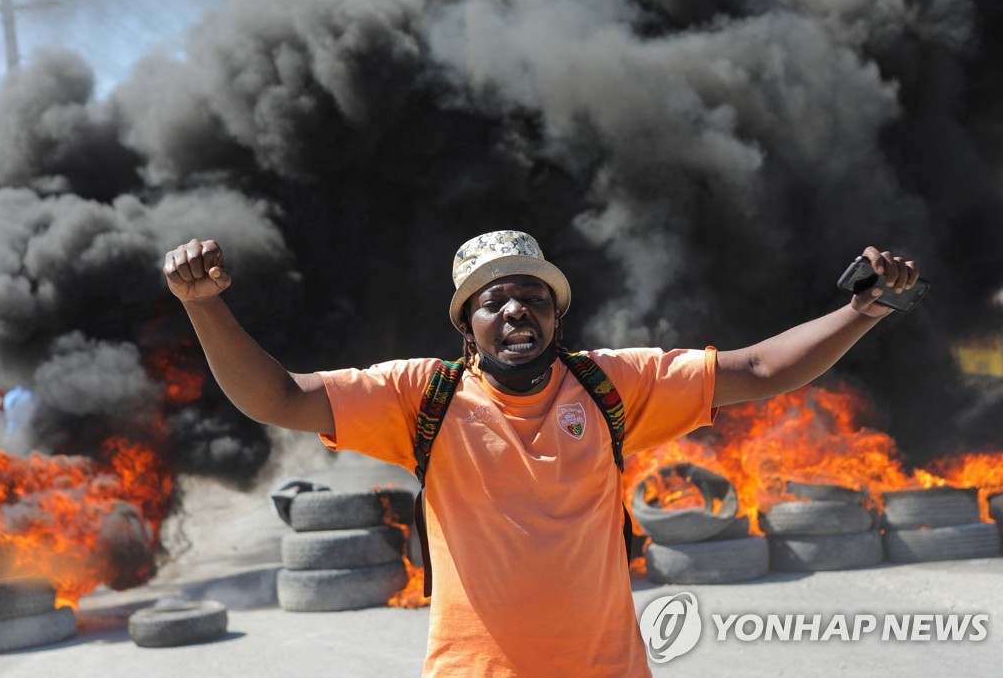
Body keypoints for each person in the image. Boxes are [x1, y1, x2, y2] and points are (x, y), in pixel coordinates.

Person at [163, 230, 919, 676]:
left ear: (557, 315)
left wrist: (865, 310)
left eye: (533, 295)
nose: (516, 308)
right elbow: (280, 398)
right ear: (470, 327)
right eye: (494, 300)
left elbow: (758, 370)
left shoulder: (612, 384)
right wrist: (204, 304)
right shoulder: (419, 398)